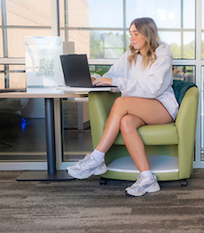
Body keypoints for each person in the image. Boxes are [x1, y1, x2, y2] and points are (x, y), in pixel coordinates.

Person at [67, 17, 179, 197]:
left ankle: (96, 158)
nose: (132, 38)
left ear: (147, 34)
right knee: (126, 122)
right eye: (130, 34)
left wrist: (116, 81)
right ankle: (147, 178)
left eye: (136, 33)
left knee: (120, 102)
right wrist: (96, 78)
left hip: (162, 107)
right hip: (139, 108)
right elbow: (112, 74)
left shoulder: (162, 56)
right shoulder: (130, 55)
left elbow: (152, 89)